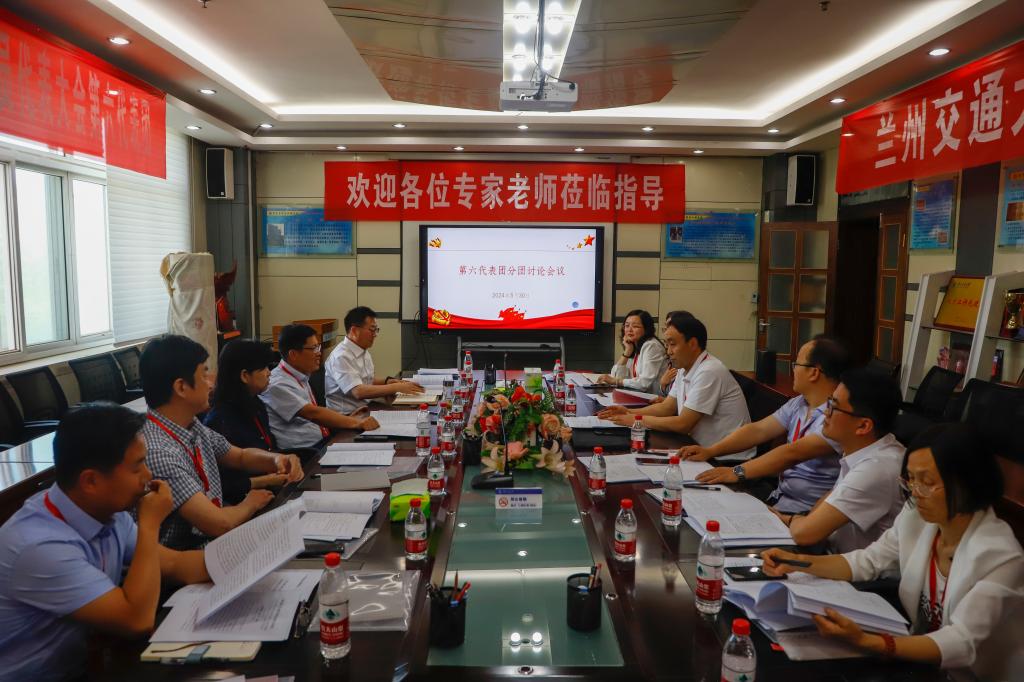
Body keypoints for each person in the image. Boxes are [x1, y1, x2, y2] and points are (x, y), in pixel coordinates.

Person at [762, 423, 1024, 680]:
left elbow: (962, 641)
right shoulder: (917, 519)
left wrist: (869, 642)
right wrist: (798, 562)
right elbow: (868, 561)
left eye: (927, 482)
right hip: (924, 665)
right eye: (910, 480)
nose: (915, 493)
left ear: (968, 483)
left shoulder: (1000, 556)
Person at [0, 403, 211, 682]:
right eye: (137, 467)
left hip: (82, 667)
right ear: (90, 481)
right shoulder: (39, 546)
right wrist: (149, 525)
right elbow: (136, 619)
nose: (148, 476)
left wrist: (250, 558)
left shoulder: (108, 513)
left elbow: (175, 563)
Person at [141, 335, 304, 551]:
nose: (211, 383)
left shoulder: (190, 425)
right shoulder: (159, 452)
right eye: (203, 374)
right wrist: (250, 503)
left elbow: (240, 456)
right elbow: (219, 523)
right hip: (189, 558)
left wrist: (277, 459)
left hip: (216, 543)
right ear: (181, 387)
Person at [682, 336, 849, 514]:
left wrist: (736, 472)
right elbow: (758, 430)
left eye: (796, 365)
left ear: (814, 373)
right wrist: (710, 451)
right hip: (780, 498)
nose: (793, 370)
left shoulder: (838, 417)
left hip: (806, 513)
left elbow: (792, 454)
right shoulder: (799, 403)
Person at [770, 367, 904, 550]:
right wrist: (792, 519)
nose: (826, 413)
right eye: (829, 402)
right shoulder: (863, 448)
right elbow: (830, 498)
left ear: (863, 426)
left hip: (854, 566)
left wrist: (787, 519)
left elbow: (805, 534)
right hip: (833, 553)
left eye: (834, 407)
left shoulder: (877, 468)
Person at [598, 314, 753, 458]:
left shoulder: (710, 371)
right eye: (667, 345)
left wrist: (636, 420)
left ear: (692, 344)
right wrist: (628, 411)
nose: (668, 351)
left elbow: (683, 424)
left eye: (672, 344)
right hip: (696, 447)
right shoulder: (684, 368)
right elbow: (666, 408)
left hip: (726, 457)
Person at [263, 323, 379, 449]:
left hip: (323, 441)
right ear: (293, 354)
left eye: (318, 347)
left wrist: (346, 419)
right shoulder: (277, 384)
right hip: (305, 452)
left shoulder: (300, 375)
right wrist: (355, 422)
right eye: (313, 348)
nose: (319, 353)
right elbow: (313, 413)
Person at [204, 339, 290, 505]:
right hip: (244, 502)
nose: (269, 373)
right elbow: (223, 484)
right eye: (263, 368)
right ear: (244, 376)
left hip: (272, 489)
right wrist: (267, 480)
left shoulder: (255, 403)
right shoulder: (220, 420)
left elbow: (268, 446)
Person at [325, 306, 424, 413]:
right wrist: (396, 387)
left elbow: (366, 380)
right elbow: (358, 391)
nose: (375, 335)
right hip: (346, 415)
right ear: (354, 331)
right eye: (372, 330)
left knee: (412, 411)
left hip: (366, 407)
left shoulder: (362, 350)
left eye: (376, 330)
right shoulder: (341, 356)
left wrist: (387, 381)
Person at [597, 309, 669, 394]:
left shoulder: (652, 346)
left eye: (635, 326)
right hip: (640, 395)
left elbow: (644, 383)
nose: (629, 330)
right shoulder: (635, 346)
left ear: (646, 329)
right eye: (627, 326)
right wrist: (627, 351)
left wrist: (616, 381)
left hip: (655, 398)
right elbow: (616, 377)